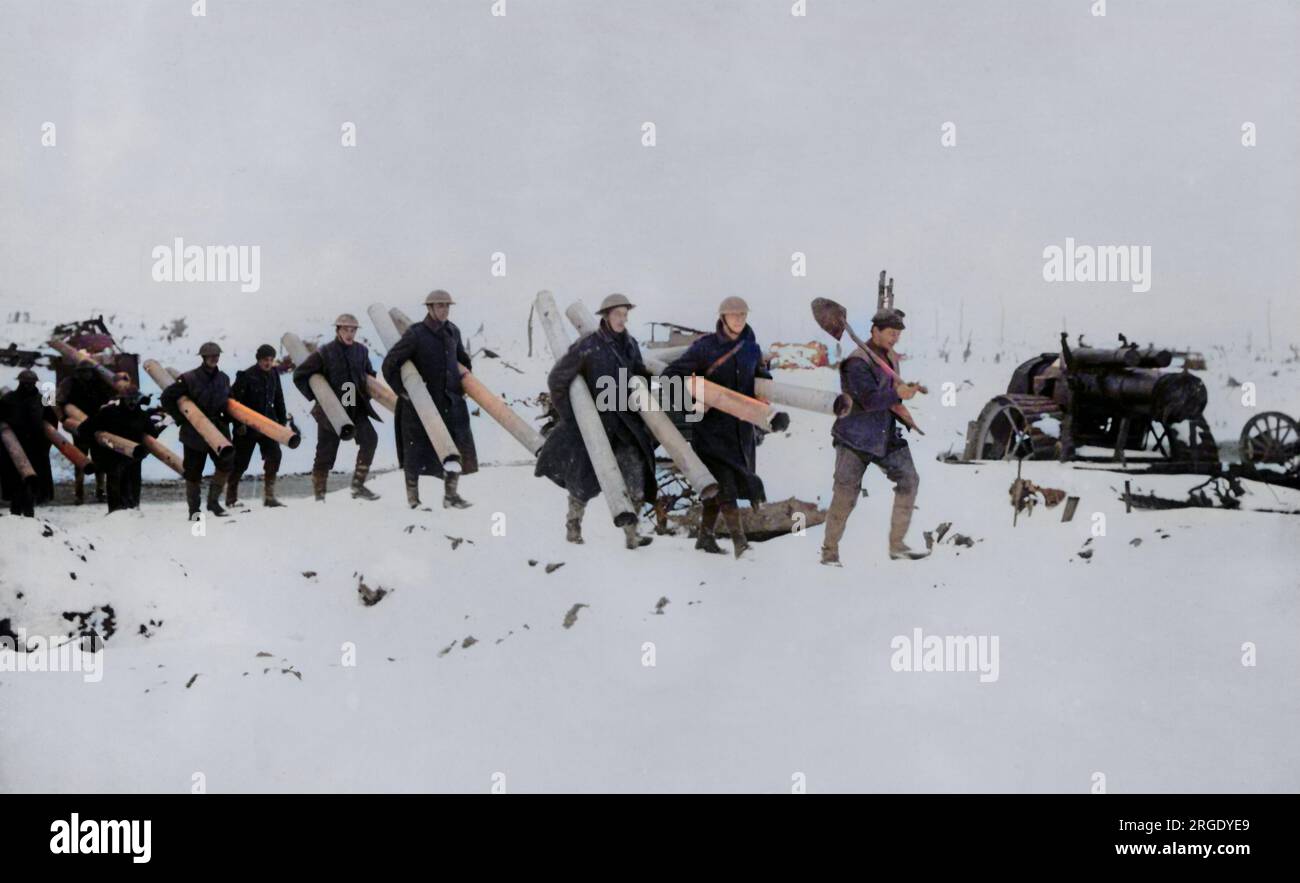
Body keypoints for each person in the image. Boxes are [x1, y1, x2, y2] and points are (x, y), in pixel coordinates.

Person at [535, 293, 656, 550]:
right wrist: (572, 414)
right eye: (617, 314)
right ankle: (573, 526)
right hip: (593, 425)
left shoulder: (630, 345)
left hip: (624, 425)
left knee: (635, 477)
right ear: (606, 316)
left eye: (625, 315)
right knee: (582, 481)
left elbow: (639, 374)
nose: (622, 319)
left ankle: (632, 534)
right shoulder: (588, 346)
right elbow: (558, 378)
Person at [662, 296, 771, 558]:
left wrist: (766, 406)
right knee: (725, 486)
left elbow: (761, 380)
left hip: (740, 431)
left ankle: (705, 538)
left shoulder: (751, 349)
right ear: (722, 318)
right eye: (734, 315)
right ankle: (740, 543)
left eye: (743, 315)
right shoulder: (705, 348)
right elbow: (672, 375)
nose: (739, 320)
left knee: (722, 486)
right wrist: (697, 397)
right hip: (711, 430)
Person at [820, 307, 928, 564]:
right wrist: (899, 394)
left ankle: (897, 545)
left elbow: (889, 389)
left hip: (885, 434)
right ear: (874, 331)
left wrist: (904, 389)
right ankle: (829, 552)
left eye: (898, 334)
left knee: (909, 479)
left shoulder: (890, 356)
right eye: (890, 333)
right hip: (854, 438)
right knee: (845, 495)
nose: (895, 338)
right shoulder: (856, 362)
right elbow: (868, 400)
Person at [382, 289, 478, 509]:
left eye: (447, 306)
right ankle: (413, 500)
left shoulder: (454, 331)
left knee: (455, 448)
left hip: (450, 403)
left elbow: (463, 360)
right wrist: (402, 390)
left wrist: (463, 384)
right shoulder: (416, 334)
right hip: (420, 406)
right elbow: (390, 364)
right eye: (440, 306)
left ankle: (451, 496)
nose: (444, 310)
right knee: (414, 453)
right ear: (430, 308)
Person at [293, 314, 381, 501]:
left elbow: (369, 373)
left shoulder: (361, 351)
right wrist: (319, 397)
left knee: (370, 439)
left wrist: (367, 393)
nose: (350, 334)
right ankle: (319, 496)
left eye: (353, 330)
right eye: (346, 329)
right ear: (338, 330)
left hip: (354, 406)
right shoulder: (325, 352)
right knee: (325, 453)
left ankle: (358, 486)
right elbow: (300, 375)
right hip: (330, 411)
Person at [161, 342, 233, 521]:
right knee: (193, 472)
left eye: (216, 355)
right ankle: (194, 510)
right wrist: (181, 419)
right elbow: (167, 397)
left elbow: (228, 402)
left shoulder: (224, 378)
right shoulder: (188, 378)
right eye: (210, 356)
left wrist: (231, 421)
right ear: (203, 357)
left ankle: (213, 502)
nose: (214, 358)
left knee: (225, 465)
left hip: (218, 431)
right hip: (194, 433)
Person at [77, 383, 160, 513]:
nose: (132, 401)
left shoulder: (142, 416)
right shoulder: (108, 412)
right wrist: (99, 441)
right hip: (113, 459)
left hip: (134, 458)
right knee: (116, 489)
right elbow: (84, 429)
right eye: (129, 398)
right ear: (122, 399)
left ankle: (133, 513)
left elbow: (153, 434)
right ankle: (115, 515)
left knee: (133, 489)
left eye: (134, 398)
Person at [226, 344, 289, 508]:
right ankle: (231, 498)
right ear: (258, 359)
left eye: (270, 360)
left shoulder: (274, 373)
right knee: (240, 462)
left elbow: (278, 398)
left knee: (275, 456)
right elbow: (233, 403)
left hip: (268, 424)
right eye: (264, 360)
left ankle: (269, 497)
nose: (268, 363)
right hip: (247, 427)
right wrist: (239, 424)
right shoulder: (246, 376)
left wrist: (282, 422)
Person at [0, 369, 56, 517]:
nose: (28, 386)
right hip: (14, 446)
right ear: (20, 383)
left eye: (31, 383)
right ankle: (16, 511)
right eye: (25, 383)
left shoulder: (42, 400)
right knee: (15, 480)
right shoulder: (8, 399)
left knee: (33, 480)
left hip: (36, 446)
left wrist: (46, 443)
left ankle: (29, 511)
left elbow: (51, 422)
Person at [54, 361, 109, 504]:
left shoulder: (99, 383)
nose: (85, 374)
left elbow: (109, 400)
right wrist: (63, 418)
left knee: (100, 460)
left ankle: (100, 491)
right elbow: (58, 401)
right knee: (80, 459)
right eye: (82, 372)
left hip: (97, 426)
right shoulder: (69, 383)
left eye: (87, 371)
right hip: (79, 427)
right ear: (77, 372)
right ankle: (79, 494)